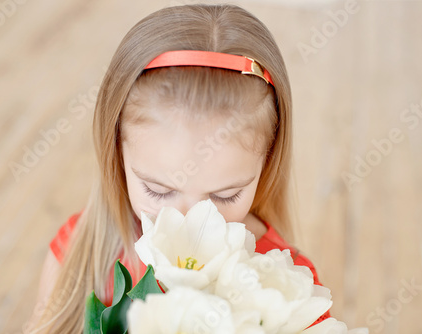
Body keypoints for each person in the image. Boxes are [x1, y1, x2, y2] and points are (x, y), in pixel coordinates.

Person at [28, 4, 331, 333]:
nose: (190, 221)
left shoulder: (285, 285)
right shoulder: (80, 254)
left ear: (268, 163)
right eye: (157, 190)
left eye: (226, 195)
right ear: (116, 156)